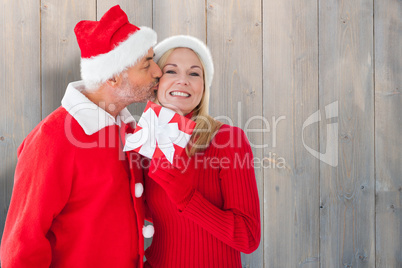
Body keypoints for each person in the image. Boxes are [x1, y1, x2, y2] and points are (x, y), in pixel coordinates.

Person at [0, 5, 161, 268]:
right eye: (147, 64)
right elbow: (22, 247)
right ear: (112, 77)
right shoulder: (54, 138)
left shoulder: (129, 132)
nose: (158, 71)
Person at [143, 35, 261, 267]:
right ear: (156, 82)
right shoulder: (143, 144)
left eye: (194, 73)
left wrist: (189, 200)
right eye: (171, 71)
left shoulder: (228, 140)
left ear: (203, 87)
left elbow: (248, 238)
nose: (183, 80)